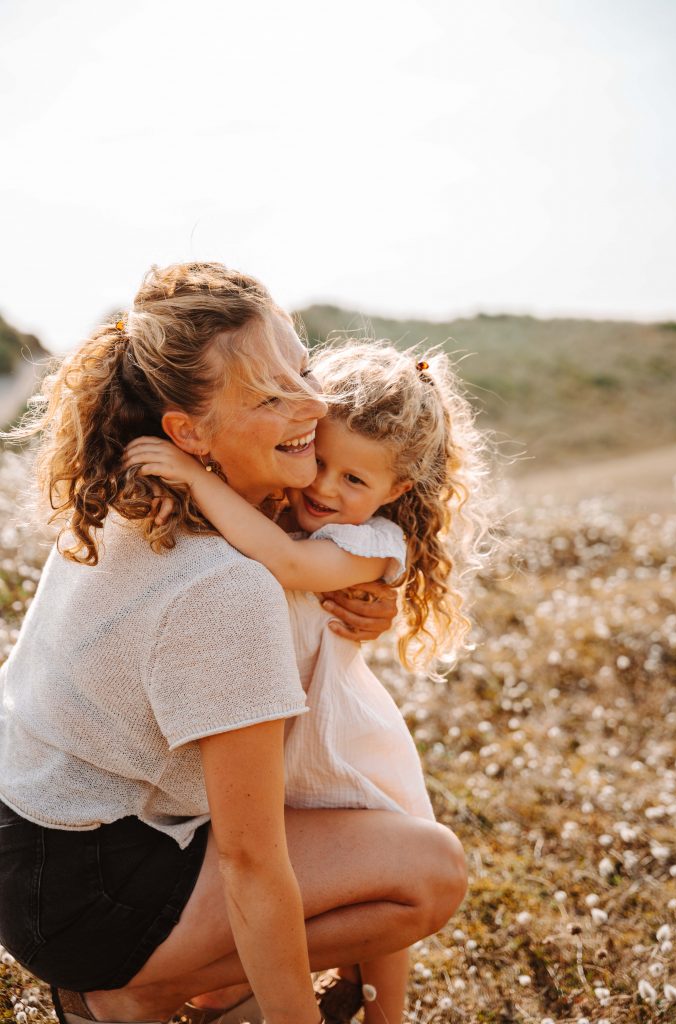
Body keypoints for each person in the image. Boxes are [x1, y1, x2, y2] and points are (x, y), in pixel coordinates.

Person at [0, 263, 468, 1024]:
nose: (315, 403)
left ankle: (182, 981)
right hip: (87, 885)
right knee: (428, 870)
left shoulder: (141, 497)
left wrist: (356, 598)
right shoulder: (223, 581)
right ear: (189, 434)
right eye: (270, 394)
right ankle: (130, 994)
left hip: (31, 846)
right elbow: (253, 863)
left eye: (302, 371)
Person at [123, 339, 488, 1024]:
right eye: (320, 460)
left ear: (395, 492)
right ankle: (228, 995)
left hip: (338, 745)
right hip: (266, 743)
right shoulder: (268, 508)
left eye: (356, 481)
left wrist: (195, 479)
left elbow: (289, 566)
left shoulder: (373, 543)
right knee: (271, 884)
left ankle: (385, 1015)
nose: (325, 487)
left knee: (386, 884)